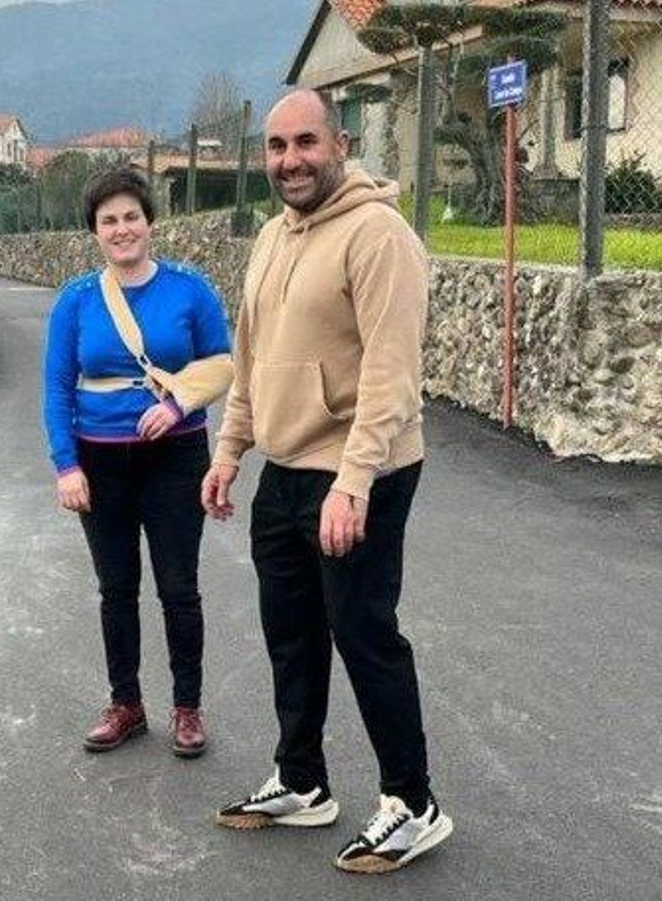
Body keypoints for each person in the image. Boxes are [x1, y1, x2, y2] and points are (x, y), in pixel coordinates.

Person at [202, 90, 451, 874]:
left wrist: (354, 481)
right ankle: (302, 780)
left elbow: (391, 369)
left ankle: (413, 803)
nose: (290, 160)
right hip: (285, 468)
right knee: (291, 631)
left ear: (339, 142)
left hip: (360, 471)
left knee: (364, 632)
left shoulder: (380, 235)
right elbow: (251, 359)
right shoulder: (272, 237)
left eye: (305, 142)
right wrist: (228, 449)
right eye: (276, 146)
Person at [42, 167, 233, 758]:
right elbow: (57, 390)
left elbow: (223, 364)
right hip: (100, 463)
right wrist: (66, 466)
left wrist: (176, 405)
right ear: (95, 232)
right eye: (109, 221)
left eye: (131, 217)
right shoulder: (75, 301)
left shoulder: (190, 288)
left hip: (175, 457)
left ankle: (187, 709)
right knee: (116, 589)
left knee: (179, 588)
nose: (122, 229)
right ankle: (126, 704)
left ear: (150, 222)